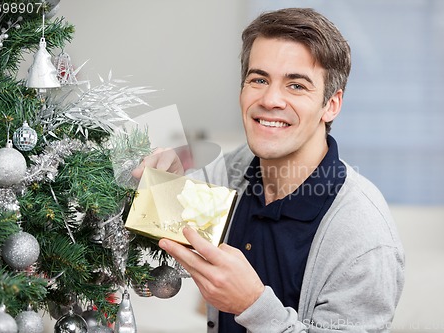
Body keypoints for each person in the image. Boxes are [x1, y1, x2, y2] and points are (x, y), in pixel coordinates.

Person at [133, 7, 404, 333]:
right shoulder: (234, 169)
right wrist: (165, 181)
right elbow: (140, 224)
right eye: (259, 79)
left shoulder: (364, 238)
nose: (271, 99)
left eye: (296, 86)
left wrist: (253, 306)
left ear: (331, 104)